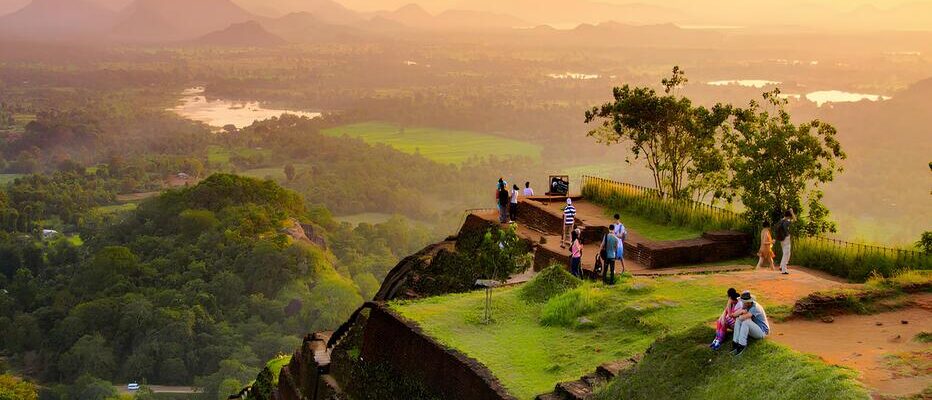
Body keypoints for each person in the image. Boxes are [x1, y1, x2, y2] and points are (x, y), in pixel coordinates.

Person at [732, 291, 769, 356]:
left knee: (746, 322)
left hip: (762, 332)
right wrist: (742, 311)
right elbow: (734, 315)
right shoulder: (747, 305)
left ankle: (741, 346)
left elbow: (743, 317)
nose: (742, 303)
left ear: (748, 302)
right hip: (755, 329)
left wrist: (741, 312)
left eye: (743, 301)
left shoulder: (755, 307)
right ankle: (735, 343)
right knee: (738, 320)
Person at [775, 208, 796, 275]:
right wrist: (792, 212)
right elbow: (795, 220)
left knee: (785, 252)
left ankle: (781, 266)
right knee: (786, 254)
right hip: (786, 238)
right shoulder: (787, 221)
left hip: (781, 239)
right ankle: (784, 270)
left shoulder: (781, 220)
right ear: (789, 216)